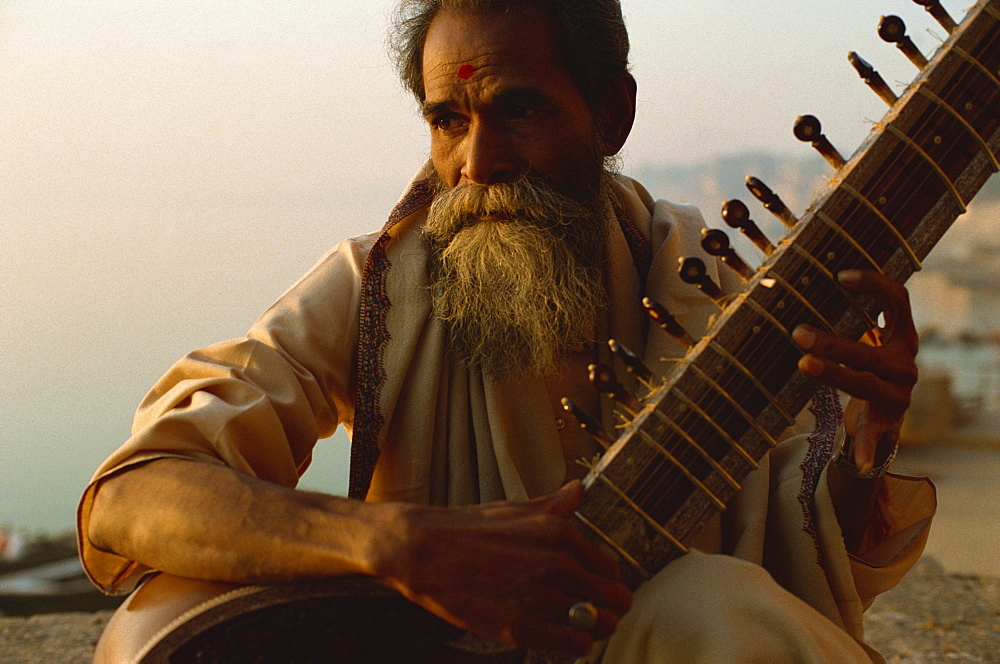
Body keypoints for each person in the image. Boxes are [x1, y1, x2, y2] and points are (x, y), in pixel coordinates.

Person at [79, 1, 935, 661]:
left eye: (517, 110)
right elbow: (131, 498)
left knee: (710, 604)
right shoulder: (374, 288)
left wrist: (869, 439)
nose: (476, 164)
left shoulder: (705, 288)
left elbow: (799, 539)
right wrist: (396, 545)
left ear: (612, 114)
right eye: (449, 119)